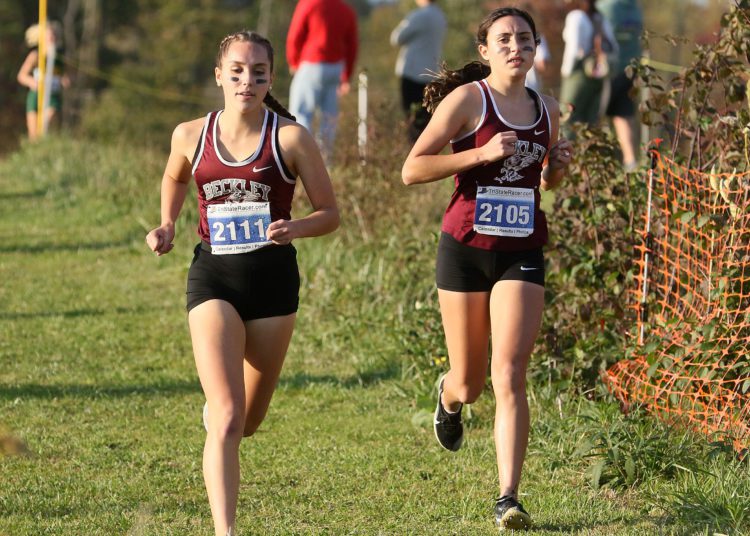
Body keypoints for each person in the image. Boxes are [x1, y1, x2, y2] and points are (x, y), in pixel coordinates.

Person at [145, 30, 339, 536]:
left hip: (274, 287)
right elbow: (175, 176)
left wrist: (295, 227)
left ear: (272, 78)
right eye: (236, 71)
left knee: (246, 422)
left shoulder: (291, 138)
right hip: (214, 278)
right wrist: (167, 222)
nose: (246, 81)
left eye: (258, 73)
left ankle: (222, 415)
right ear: (219, 76)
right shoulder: (190, 134)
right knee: (228, 417)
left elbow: (330, 214)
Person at [401, 7, 573, 531]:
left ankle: (508, 498)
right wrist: (477, 155)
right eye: (503, 39)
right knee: (471, 381)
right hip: (465, 247)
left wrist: (558, 171)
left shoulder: (548, 109)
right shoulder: (468, 102)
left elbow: (546, 185)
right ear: (485, 51)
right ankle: (448, 398)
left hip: (521, 248)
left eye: (524, 38)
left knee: (510, 374)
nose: (514, 46)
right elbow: (413, 169)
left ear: (536, 47)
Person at [286, 0, 358, 161]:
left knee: (302, 113)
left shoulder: (309, 4)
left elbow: (295, 35)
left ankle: (301, 159)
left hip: (312, 64)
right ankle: (325, 162)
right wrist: (347, 76)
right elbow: (352, 45)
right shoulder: (346, 9)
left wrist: (293, 61)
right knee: (329, 119)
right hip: (335, 68)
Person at [390, 0, 447, 142]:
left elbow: (396, 38)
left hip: (412, 72)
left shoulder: (418, 15)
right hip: (430, 73)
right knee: (425, 120)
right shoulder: (440, 16)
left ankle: (414, 156)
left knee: (412, 118)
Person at [558, 0, 617, 136]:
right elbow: (614, 47)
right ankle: (588, 155)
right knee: (590, 121)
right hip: (598, 75)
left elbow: (573, 49)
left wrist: (566, 71)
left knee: (567, 117)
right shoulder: (599, 18)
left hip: (577, 74)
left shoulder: (576, 16)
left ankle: (568, 155)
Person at [599, 0, 643, 172]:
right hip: (630, 69)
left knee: (594, 115)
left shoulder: (607, 7)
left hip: (609, 70)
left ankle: (592, 160)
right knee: (623, 115)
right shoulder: (634, 8)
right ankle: (630, 161)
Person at [16, 21, 69, 140]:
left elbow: (66, 75)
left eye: (54, 35)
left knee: (46, 124)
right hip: (35, 96)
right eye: (49, 35)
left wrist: (64, 81)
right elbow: (21, 75)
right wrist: (31, 82)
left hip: (52, 96)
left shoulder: (59, 58)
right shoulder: (35, 56)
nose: (52, 38)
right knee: (33, 135)